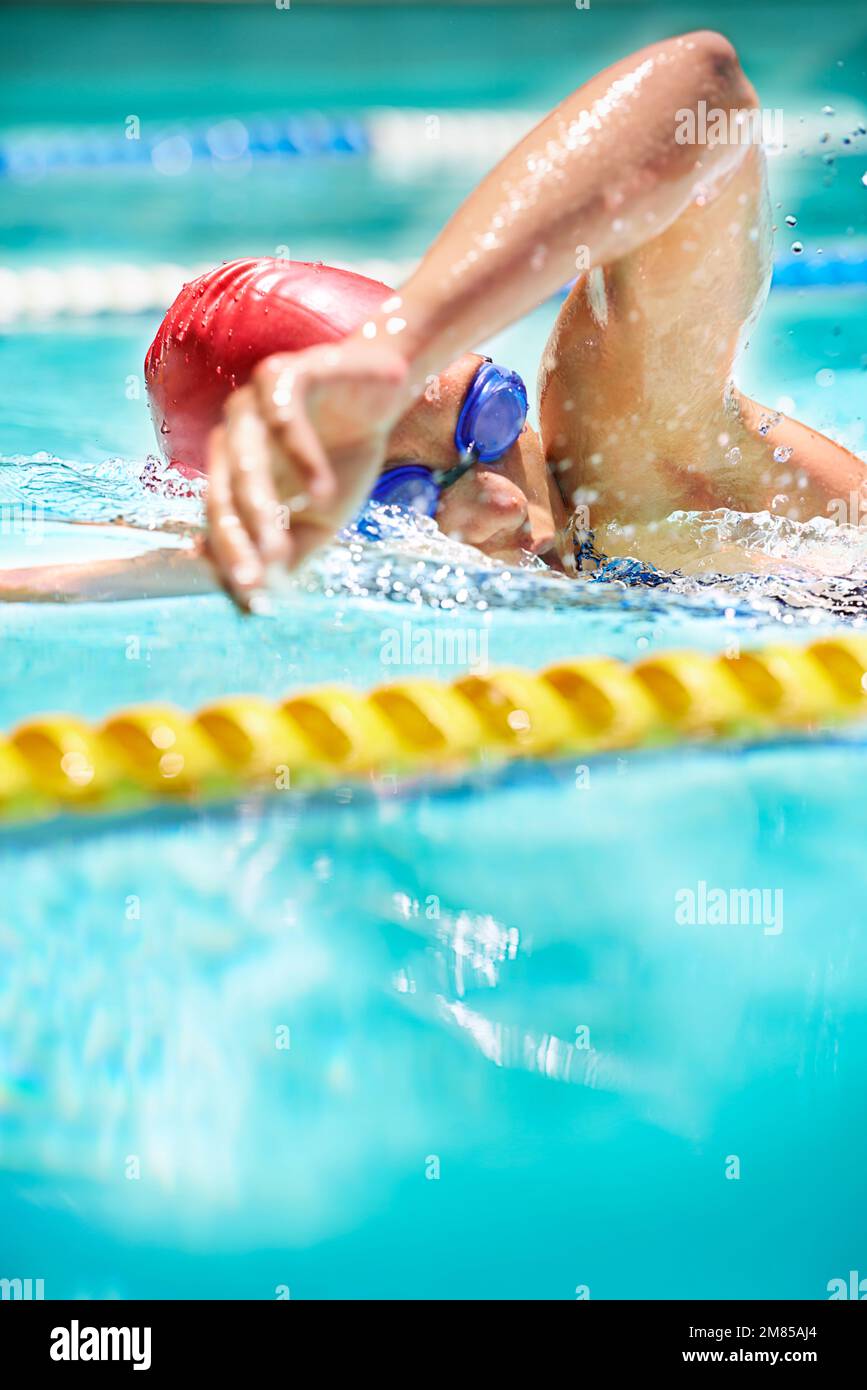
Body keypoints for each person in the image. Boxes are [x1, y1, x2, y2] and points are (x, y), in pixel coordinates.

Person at [5, 31, 863, 604]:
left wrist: (396, 350)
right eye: (398, 496)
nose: (497, 497)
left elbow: (702, 88)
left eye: (485, 414)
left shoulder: (635, 450)